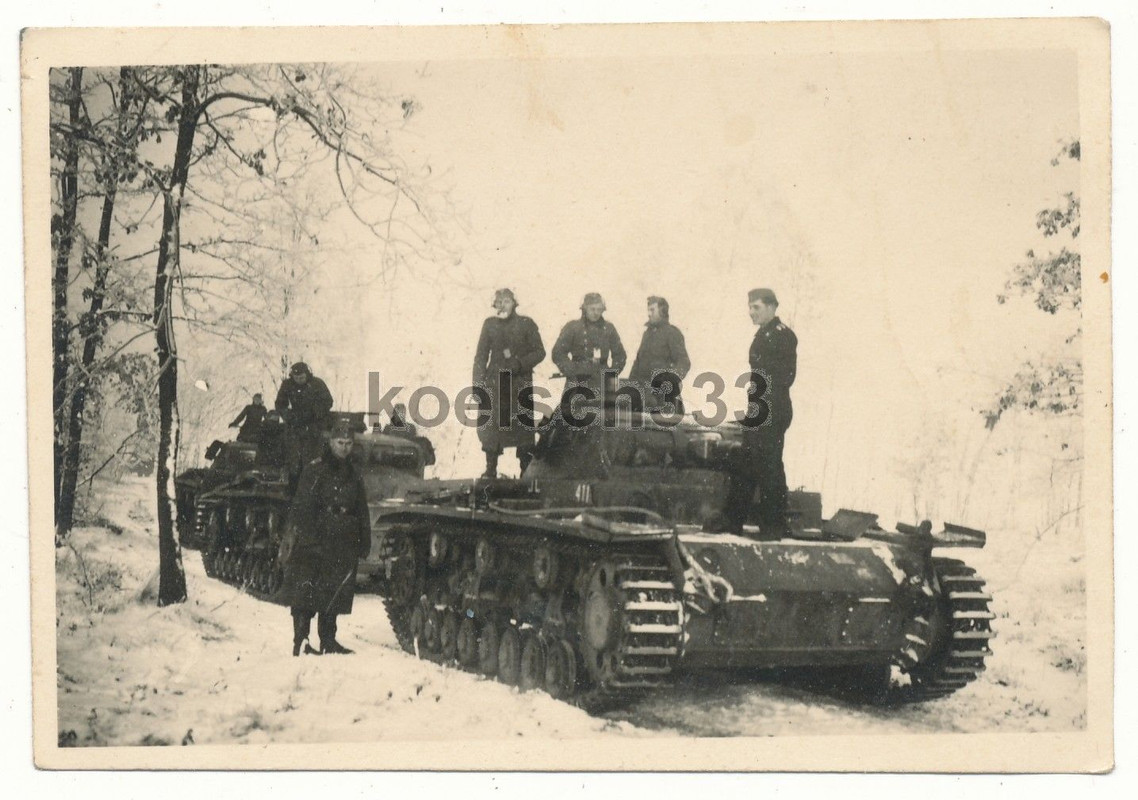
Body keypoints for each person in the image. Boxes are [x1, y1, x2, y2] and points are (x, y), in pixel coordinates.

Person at [278, 417, 371, 656]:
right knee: (306, 591)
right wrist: (308, 538)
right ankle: (302, 640)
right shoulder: (315, 468)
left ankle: (329, 641)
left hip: (343, 538)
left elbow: (361, 507)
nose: (344, 447)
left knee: (334, 592)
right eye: (340, 442)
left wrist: (364, 540)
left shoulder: (353, 473)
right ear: (331, 442)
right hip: (316, 538)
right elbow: (302, 505)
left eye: (349, 443)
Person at [717, 288, 798, 539]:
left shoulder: (783, 336)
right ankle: (732, 522)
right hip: (759, 408)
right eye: (750, 307)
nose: (751, 312)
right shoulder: (763, 335)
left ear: (773, 307)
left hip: (773, 408)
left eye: (757, 307)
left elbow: (786, 376)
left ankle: (773, 527)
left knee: (769, 466)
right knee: (745, 463)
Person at [472, 288, 546, 477]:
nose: (503, 305)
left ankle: (525, 471)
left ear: (514, 303)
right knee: (491, 428)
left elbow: (539, 352)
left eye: (507, 301)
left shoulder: (526, 324)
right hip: (495, 385)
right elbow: (480, 357)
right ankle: (490, 469)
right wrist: (478, 385)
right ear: (494, 304)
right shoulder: (489, 325)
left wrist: (520, 364)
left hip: (519, 384)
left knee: (522, 429)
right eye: (499, 301)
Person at [551, 292, 626, 404]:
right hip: (577, 380)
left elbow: (620, 355)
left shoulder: (609, 328)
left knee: (604, 417)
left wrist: (611, 374)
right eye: (592, 309)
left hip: (602, 381)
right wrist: (571, 370)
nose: (596, 313)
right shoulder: (572, 327)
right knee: (571, 415)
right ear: (584, 309)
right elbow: (557, 352)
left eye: (599, 309)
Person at [628, 296, 691, 413]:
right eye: (648, 310)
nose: (648, 314)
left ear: (663, 311)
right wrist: (630, 386)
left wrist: (669, 381)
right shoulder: (647, 335)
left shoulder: (672, 333)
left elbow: (684, 362)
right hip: (644, 397)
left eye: (652, 310)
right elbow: (637, 363)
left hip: (664, 399)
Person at [274, 362, 334, 483]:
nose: (299, 380)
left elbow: (328, 401)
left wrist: (314, 413)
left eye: (302, 378)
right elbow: (280, 404)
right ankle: (292, 486)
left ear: (307, 374)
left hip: (314, 424)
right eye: (296, 378)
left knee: (312, 459)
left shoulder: (317, 383)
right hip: (295, 425)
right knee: (293, 459)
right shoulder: (287, 385)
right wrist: (290, 416)